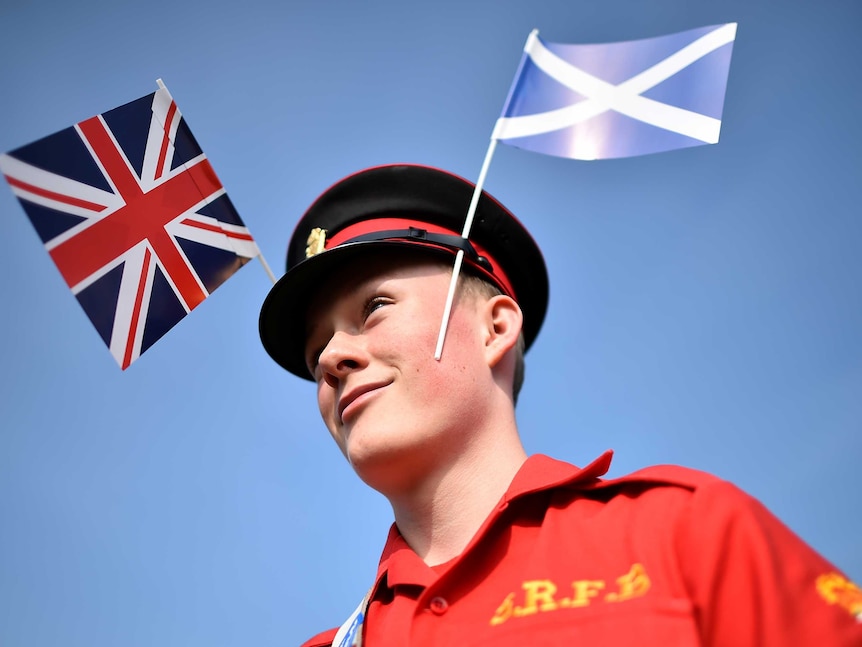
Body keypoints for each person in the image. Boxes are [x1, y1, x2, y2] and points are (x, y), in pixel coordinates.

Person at [259, 164, 862, 646]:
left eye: (373, 307)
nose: (334, 356)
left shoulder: (685, 533)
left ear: (495, 328)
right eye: (316, 355)